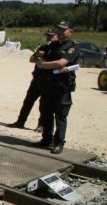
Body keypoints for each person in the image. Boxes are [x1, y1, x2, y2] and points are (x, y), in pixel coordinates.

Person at [33, 21, 80, 155]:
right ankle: (46, 139)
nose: (60, 32)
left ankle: (59, 142)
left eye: (63, 30)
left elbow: (62, 62)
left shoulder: (73, 47)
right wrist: (47, 64)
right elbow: (37, 59)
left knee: (60, 115)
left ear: (70, 31)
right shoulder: (52, 45)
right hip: (48, 84)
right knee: (46, 112)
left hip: (62, 86)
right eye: (58, 29)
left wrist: (44, 64)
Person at [5, 29, 57, 129]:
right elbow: (32, 59)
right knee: (28, 101)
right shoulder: (43, 47)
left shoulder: (57, 50)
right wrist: (38, 56)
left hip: (48, 80)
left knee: (44, 105)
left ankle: (41, 125)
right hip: (37, 78)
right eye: (48, 36)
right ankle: (20, 121)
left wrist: (44, 59)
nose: (49, 38)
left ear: (56, 36)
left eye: (51, 36)